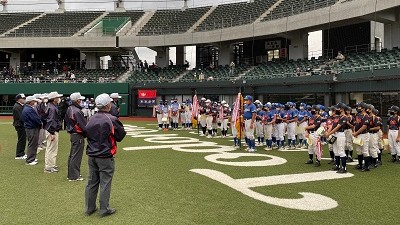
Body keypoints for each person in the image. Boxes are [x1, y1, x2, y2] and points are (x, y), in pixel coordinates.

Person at [84, 93, 126, 217]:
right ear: (108, 105)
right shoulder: (111, 119)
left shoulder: (91, 118)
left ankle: (89, 208)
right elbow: (120, 136)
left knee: (91, 182)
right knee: (105, 182)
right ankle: (104, 209)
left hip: (92, 154)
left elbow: (86, 132)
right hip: (105, 155)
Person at [65, 92, 87, 181]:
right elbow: (83, 126)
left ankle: (71, 174)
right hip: (77, 135)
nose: (81, 101)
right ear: (77, 100)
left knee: (72, 155)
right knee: (76, 155)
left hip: (73, 134)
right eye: (80, 99)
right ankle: (74, 176)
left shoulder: (70, 108)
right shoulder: (77, 111)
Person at [325, 103, 348, 173]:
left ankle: (344, 168)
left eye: (338, 108)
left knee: (341, 151)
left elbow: (338, 127)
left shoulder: (344, 117)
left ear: (342, 109)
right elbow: (332, 126)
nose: (336, 110)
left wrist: (329, 133)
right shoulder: (337, 117)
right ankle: (337, 166)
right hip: (335, 134)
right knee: (336, 151)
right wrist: (327, 133)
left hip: (340, 134)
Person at [44, 91, 63, 173]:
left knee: (51, 148)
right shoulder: (52, 107)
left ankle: (51, 165)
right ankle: (49, 167)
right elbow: (52, 120)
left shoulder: (51, 106)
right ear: (54, 99)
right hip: (52, 130)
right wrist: (52, 132)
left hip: (50, 129)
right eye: (57, 97)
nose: (59, 98)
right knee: (51, 149)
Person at [21, 96, 42, 165]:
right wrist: (40, 123)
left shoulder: (27, 108)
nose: (35, 102)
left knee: (33, 143)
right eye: (34, 101)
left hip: (30, 128)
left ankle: (32, 157)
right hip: (32, 128)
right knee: (32, 144)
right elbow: (35, 119)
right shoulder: (29, 109)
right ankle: (30, 160)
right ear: (30, 102)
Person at [353, 102, 371, 172]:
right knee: (358, 150)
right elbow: (355, 124)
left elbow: (364, 127)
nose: (357, 108)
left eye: (359, 107)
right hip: (358, 134)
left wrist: (356, 133)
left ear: (363, 108)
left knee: (365, 150)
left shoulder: (366, 116)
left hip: (364, 135)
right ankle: (360, 165)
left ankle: (366, 166)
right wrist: (355, 132)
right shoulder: (358, 115)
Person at [13, 93, 27, 160]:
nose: (24, 99)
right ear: (19, 99)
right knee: (21, 139)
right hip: (20, 125)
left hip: (21, 124)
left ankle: (22, 153)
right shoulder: (17, 106)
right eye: (23, 98)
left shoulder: (20, 105)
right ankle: (19, 154)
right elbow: (21, 117)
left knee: (23, 139)